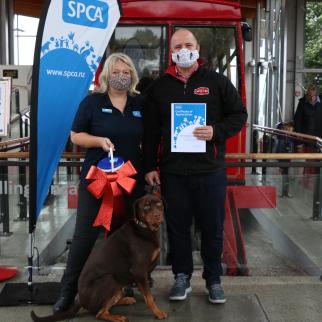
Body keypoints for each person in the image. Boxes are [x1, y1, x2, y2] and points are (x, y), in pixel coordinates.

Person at [143, 29, 247, 304]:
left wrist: (217, 131)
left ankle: (213, 280)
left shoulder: (217, 82)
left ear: (197, 48)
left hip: (210, 170)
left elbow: (239, 115)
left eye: (188, 44)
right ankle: (182, 277)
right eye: (178, 46)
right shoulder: (160, 87)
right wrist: (150, 165)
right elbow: (151, 131)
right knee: (178, 227)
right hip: (173, 172)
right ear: (172, 52)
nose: (183, 49)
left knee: (212, 227)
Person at [53, 53, 144, 313]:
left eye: (126, 72)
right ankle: (67, 292)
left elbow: (148, 139)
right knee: (84, 238)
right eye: (116, 71)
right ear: (106, 75)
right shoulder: (92, 103)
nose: (121, 76)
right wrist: (99, 141)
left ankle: (121, 287)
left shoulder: (140, 104)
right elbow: (76, 135)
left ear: (132, 76)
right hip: (97, 182)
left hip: (130, 184)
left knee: (123, 240)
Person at [294, 83, 322, 174]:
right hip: (307, 135)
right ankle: (308, 179)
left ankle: (316, 178)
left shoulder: (320, 101)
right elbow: (297, 119)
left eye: (314, 89)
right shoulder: (302, 102)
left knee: (318, 158)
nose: (312, 91)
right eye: (311, 89)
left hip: (319, 136)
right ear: (308, 91)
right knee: (309, 158)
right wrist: (298, 136)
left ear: (317, 91)